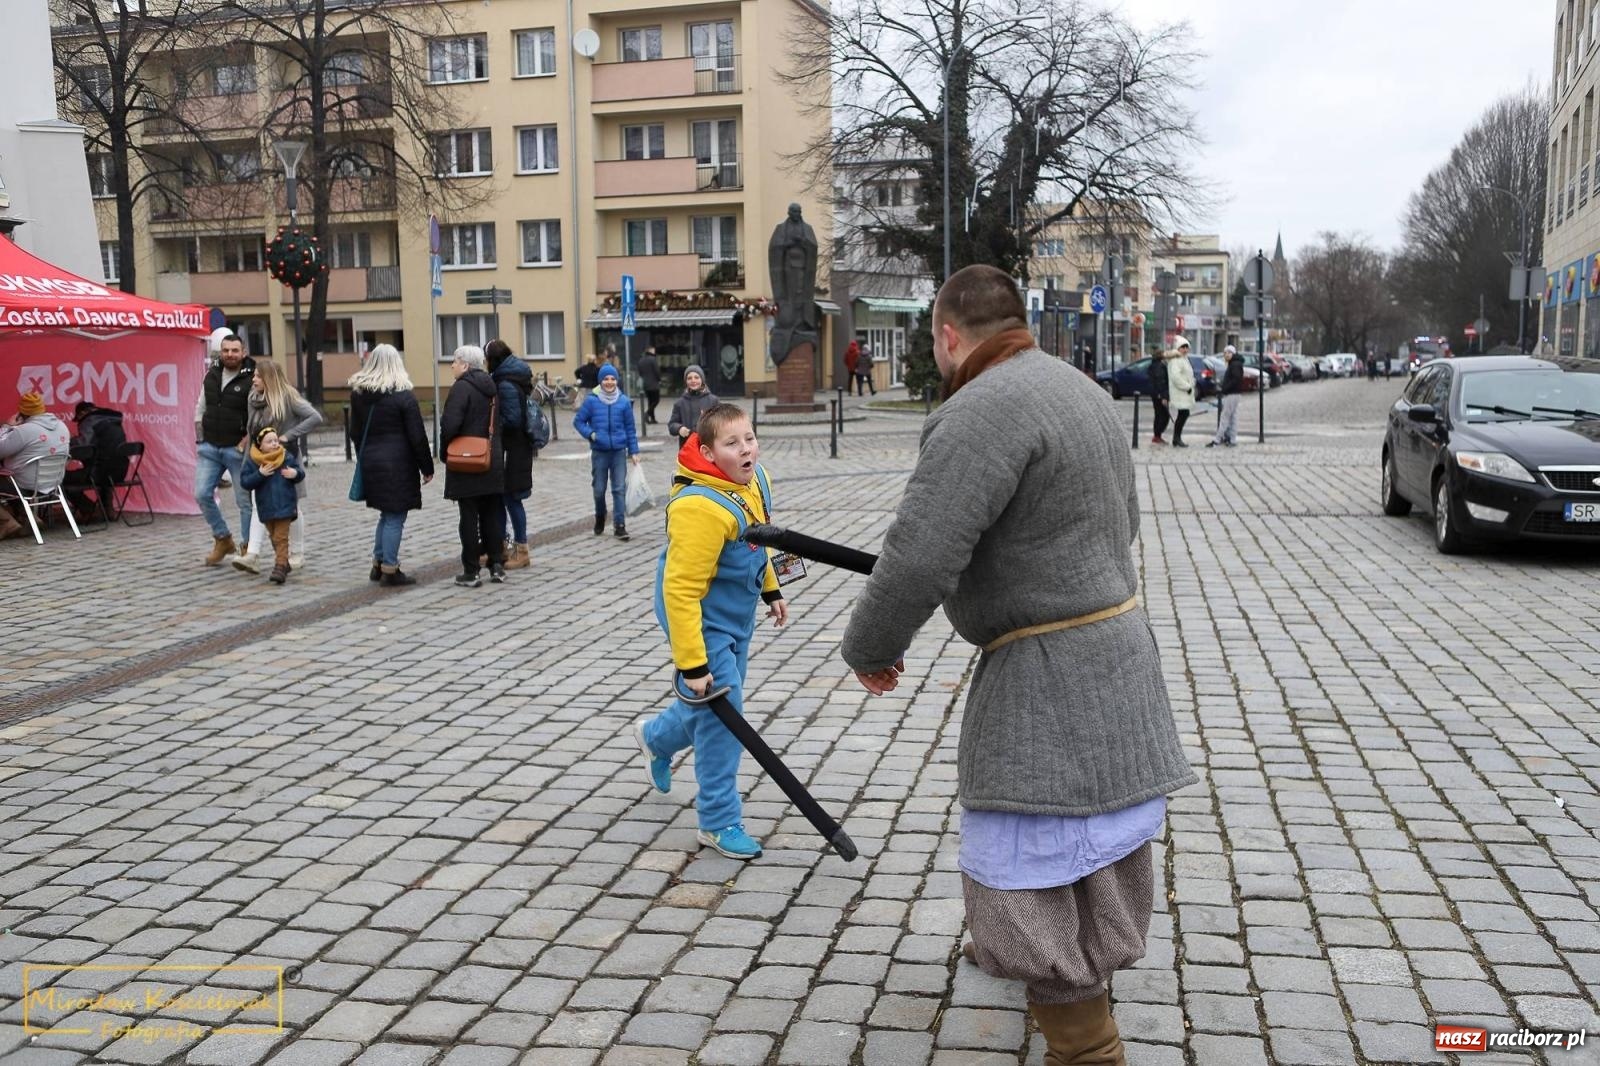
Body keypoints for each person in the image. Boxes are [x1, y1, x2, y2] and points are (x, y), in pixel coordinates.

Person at [840, 265, 1195, 1065]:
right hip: (1118, 654)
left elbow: (918, 557)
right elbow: (1123, 523)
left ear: (948, 336)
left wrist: (871, 648)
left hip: (1045, 681)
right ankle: (1045, 974)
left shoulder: (978, 410)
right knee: (1092, 847)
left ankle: (1086, 1047)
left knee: (1035, 864)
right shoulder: (1082, 391)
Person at [631, 402, 788, 860]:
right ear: (707, 452)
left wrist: (771, 589)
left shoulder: (756, 479)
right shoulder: (699, 508)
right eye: (732, 443)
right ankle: (718, 820)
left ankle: (655, 738)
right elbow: (679, 592)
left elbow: (759, 539)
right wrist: (693, 664)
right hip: (699, 619)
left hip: (736, 611)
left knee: (714, 706)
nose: (746, 449)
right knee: (724, 715)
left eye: (750, 438)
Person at [348, 344, 434, 587]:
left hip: (371, 460)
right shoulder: (404, 396)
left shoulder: (359, 395)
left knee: (386, 514)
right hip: (398, 463)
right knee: (395, 515)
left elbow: (355, 432)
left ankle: (378, 563)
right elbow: (417, 436)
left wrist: (364, 456)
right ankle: (390, 568)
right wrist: (427, 467)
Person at [233, 360, 321, 574]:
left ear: (269, 379)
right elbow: (251, 430)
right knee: (259, 504)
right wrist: (248, 456)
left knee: (292, 506)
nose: (253, 380)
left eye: (258, 376)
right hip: (259, 459)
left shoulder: (288, 396)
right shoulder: (253, 398)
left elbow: (314, 417)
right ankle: (252, 554)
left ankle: (297, 553)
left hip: (285, 459)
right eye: (254, 376)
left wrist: (289, 435)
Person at [440, 345, 506, 587]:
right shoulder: (492, 387)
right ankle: (497, 565)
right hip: (490, 457)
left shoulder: (461, 388)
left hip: (466, 460)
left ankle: (471, 570)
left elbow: (450, 424)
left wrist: (444, 451)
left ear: (466, 365)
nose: (452, 365)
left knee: (468, 517)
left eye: (455, 361)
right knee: (491, 514)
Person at [193, 334, 256, 565]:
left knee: (244, 502)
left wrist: (246, 442)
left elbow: (258, 414)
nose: (230, 354)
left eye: (234, 350)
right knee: (201, 494)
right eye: (226, 350)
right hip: (210, 447)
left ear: (243, 352)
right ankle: (222, 538)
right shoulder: (212, 373)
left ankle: (248, 548)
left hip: (237, 450)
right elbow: (200, 406)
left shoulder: (252, 378)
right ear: (221, 352)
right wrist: (200, 438)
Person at [574, 363, 640, 540]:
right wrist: (591, 434)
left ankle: (619, 525)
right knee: (599, 489)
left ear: (617, 381)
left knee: (619, 489)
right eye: (606, 379)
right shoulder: (592, 401)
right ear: (600, 381)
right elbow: (578, 421)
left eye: (612, 379)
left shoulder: (624, 401)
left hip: (619, 451)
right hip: (599, 452)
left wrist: (634, 451)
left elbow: (630, 428)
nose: (609, 382)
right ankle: (600, 515)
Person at [487, 339, 535, 571]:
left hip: (512, 449)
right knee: (504, 497)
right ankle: (502, 547)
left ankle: (521, 550)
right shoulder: (512, 375)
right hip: (515, 448)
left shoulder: (505, 383)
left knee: (511, 498)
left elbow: (513, 419)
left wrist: (492, 426)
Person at [0, 391, 72, 540]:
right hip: (53, 483)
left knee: (11, 480)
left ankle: (7, 522)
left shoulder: (24, 431)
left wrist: (7, 427)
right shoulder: (62, 426)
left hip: (25, 485)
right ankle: (31, 517)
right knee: (16, 478)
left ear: (21, 413)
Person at [238, 426, 304, 585]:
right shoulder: (254, 461)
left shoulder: (285, 456)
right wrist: (259, 474)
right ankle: (285, 562)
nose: (274, 444)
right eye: (269, 441)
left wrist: (294, 474)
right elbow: (245, 482)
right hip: (266, 507)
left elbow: (300, 472)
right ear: (260, 445)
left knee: (281, 537)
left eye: (275, 440)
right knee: (274, 537)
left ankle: (280, 567)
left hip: (285, 504)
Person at [64, 400, 128, 516]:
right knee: (105, 469)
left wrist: (69, 442)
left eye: (79, 419)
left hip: (99, 473)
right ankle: (107, 510)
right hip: (120, 472)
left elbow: (83, 445)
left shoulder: (89, 420)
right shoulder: (114, 421)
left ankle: (90, 510)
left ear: (82, 413)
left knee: (60, 479)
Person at [668, 365, 719, 444]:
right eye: (689, 378)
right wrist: (679, 428)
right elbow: (672, 425)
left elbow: (721, 422)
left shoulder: (713, 400)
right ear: (686, 381)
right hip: (688, 445)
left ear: (702, 379)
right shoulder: (680, 403)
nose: (693, 380)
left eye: (696, 377)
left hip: (708, 444)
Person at [1208, 345, 1245, 448]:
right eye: (1225, 353)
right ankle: (1232, 439)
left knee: (1225, 417)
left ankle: (1217, 439)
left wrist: (1225, 389)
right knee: (1233, 417)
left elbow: (1235, 379)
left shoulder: (1234, 364)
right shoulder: (1235, 363)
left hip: (1232, 393)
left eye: (1228, 353)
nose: (1226, 355)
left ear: (1233, 353)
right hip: (1235, 393)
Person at [1166, 336, 1195, 448]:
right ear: (1178, 348)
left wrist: (1191, 384)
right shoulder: (1176, 360)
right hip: (1180, 392)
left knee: (1184, 414)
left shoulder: (1184, 359)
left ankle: (1177, 438)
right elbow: (1176, 377)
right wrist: (1187, 387)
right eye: (1183, 347)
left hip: (1184, 392)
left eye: (1187, 347)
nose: (1185, 349)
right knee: (1183, 414)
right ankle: (1176, 438)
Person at [1148, 342, 1171, 445]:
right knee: (1164, 416)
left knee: (1158, 415)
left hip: (1155, 394)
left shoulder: (1153, 365)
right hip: (1160, 395)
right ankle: (1157, 435)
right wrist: (1164, 396)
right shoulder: (1160, 367)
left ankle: (1157, 435)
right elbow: (1161, 382)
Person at [638, 346, 662, 425]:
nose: (654, 351)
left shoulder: (641, 360)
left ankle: (652, 418)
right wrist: (659, 379)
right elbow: (657, 371)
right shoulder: (653, 359)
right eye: (653, 350)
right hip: (654, 383)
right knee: (656, 400)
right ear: (650, 351)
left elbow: (640, 372)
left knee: (650, 401)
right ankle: (647, 414)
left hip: (645, 384)